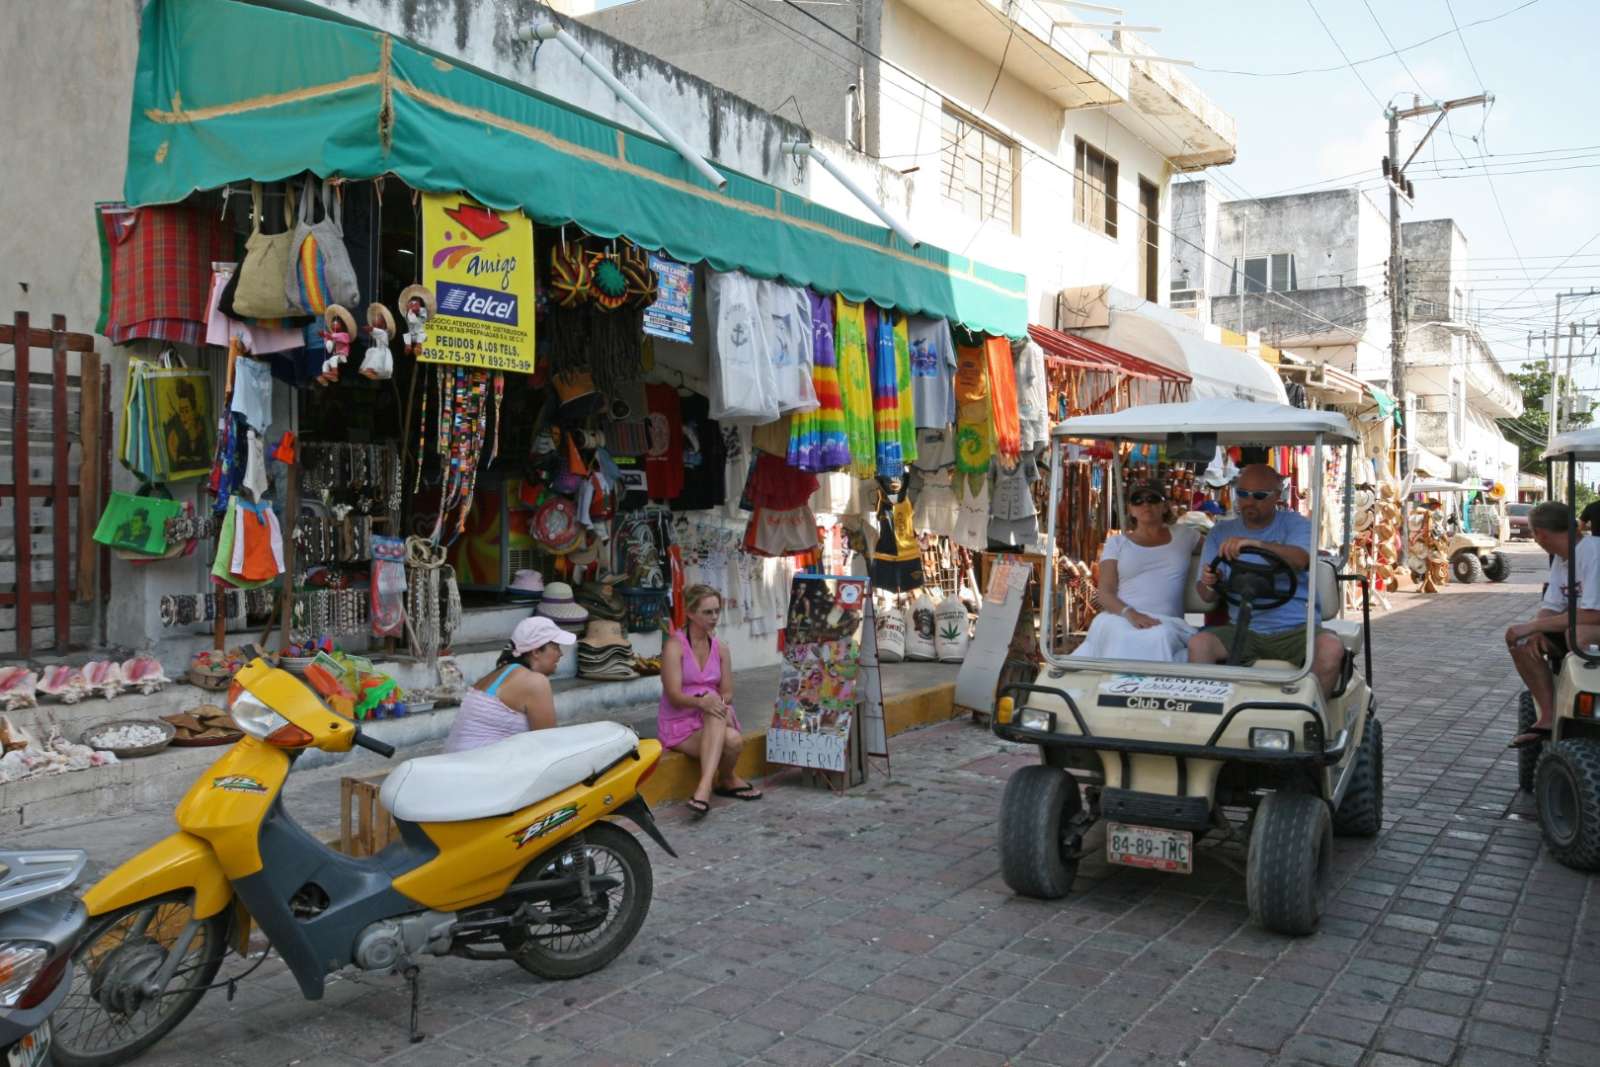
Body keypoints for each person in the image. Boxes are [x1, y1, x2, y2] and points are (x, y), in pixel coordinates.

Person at [1188, 464, 1346, 696]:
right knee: (1198, 644)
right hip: (1244, 627)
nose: (1249, 502)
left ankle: (1311, 719)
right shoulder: (1220, 532)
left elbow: (1300, 559)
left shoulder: (1296, 525)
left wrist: (1254, 544)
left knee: (1331, 648)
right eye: (1242, 494)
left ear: (1277, 496)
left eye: (1259, 496)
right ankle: (1207, 718)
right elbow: (1206, 594)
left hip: (1296, 630)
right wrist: (1210, 581)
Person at [659, 584, 761, 817]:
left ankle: (709, 787)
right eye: (708, 612)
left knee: (719, 711)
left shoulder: (721, 649)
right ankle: (719, 782)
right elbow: (673, 695)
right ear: (691, 613)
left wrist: (713, 700)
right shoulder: (674, 647)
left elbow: (728, 692)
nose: (714, 617)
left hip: (712, 714)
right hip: (680, 723)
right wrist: (700, 702)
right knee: (732, 738)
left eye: (717, 611)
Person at [1506, 501, 1600, 747]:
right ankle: (1548, 717)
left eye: (1533, 533)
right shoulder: (1562, 559)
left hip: (1591, 625)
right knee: (1522, 642)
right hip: (1580, 625)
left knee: (1576, 636)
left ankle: (1585, 704)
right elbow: (1552, 604)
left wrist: (1536, 626)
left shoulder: (1593, 553)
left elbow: (1593, 614)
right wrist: (1538, 626)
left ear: (1541, 534)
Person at [1073, 482, 1200, 661]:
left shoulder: (1185, 535)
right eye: (1137, 500)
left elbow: (1216, 547)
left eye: (1153, 499)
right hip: (1121, 616)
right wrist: (1131, 614)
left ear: (1165, 506)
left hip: (1166, 622)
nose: (1145, 505)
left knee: (1158, 636)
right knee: (1122, 636)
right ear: (1131, 509)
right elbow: (1105, 592)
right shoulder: (1116, 543)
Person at [442, 616, 574, 753]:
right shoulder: (535, 682)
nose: (561, 654)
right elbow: (549, 743)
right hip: (478, 767)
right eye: (556, 647)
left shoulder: (500, 673)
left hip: (459, 761)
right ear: (535, 651)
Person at [162, 380, 209, 470]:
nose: (183, 416)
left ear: (194, 411)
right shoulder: (179, 440)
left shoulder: (203, 436)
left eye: (186, 411)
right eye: (181, 411)